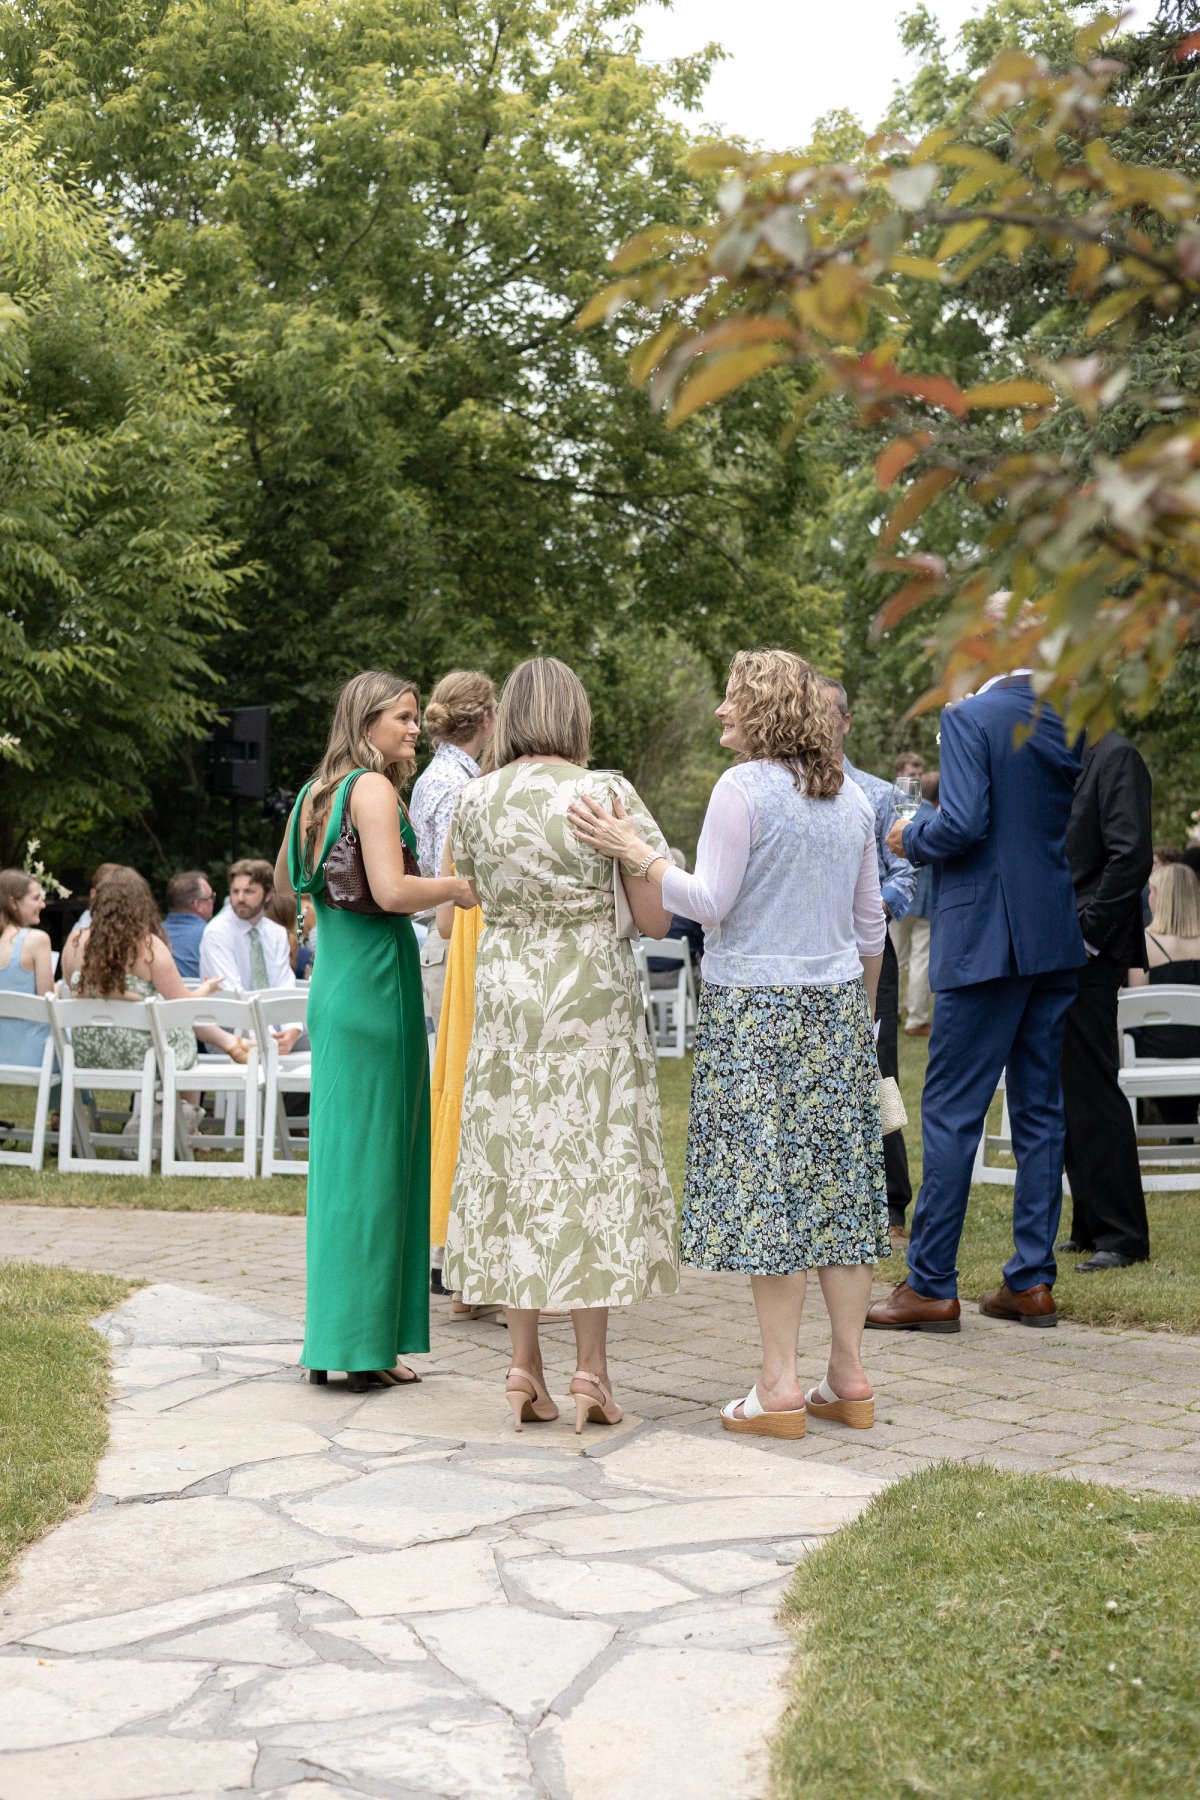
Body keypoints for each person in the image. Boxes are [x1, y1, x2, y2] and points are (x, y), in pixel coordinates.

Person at [571, 649, 887, 1438]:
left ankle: (778, 1386)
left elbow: (708, 901)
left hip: (753, 1014)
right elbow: (872, 925)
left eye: (732, 699)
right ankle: (848, 1378)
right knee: (839, 1194)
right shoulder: (851, 797)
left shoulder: (741, 789)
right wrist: (865, 1020)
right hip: (838, 1012)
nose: (720, 711)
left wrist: (636, 854)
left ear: (765, 711)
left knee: (770, 1195)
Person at [445, 656, 678, 1434]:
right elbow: (656, 920)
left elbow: (463, 904)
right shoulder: (605, 793)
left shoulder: (474, 800)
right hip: (591, 998)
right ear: (576, 714)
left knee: (516, 1168)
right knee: (590, 1169)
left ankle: (522, 1367)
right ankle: (591, 1371)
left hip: (510, 997)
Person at [866, 674, 1085, 1334]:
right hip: (1051, 931)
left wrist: (911, 837)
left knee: (953, 1110)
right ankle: (1032, 1280)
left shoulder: (968, 715)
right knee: (1040, 1110)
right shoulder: (1065, 716)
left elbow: (963, 823)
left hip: (986, 935)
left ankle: (931, 1283)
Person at [275, 670, 474, 1392]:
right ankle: (364, 1347)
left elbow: (292, 884)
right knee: (379, 1168)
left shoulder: (312, 795)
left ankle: (336, 1339)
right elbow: (391, 892)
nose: (414, 728)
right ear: (366, 721)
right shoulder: (373, 789)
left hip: (334, 982)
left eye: (416, 717)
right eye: (402, 717)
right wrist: (456, 885)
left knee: (341, 1169)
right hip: (377, 984)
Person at [820, 677, 917, 1245]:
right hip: (810, 955)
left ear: (847, 722)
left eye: (830, 713)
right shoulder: (790, 789)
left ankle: (892, 1204)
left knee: (876, 1070)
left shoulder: (885, 795)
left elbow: (907, 877)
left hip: (868, 950)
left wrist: (866, 905)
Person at [1059, 730, 1153, 1271]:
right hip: (1056, 945)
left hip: (1092, 947)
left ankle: (1123, 1235)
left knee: (1092, 1085)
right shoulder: (1056, 754)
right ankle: (1090, 1225)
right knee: (1068, 1087)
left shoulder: (1115, 757)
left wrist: (1089, 933)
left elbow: (1130, 856)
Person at [62, 867, 246, 1074]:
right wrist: (206, 988)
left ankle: (227, 1047)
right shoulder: (149, 946)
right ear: (141, 903)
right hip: (146, 1056)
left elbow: (73, 990)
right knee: (182, 1027)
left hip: (89, 1053)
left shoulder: (74, 942)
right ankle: (187, 1105)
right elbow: (183, 1005)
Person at [409, 670, 497, 1036]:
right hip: (453, 938)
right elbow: (456, 870)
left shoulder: (439, 775)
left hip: (448, 940)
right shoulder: (455, 785)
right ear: (486, 718)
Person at [1127, 862, 1200, 1129]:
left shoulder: (1144, 943)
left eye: (1153, 890)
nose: (1149, 896)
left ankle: (1176, 1125)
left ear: (1163, 897)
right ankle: (1184, 1125)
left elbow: (1136, 1006)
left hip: (1157, 1048)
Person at [200, 859, 295, 993]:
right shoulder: (217, 932)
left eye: (249, 891)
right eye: (235, 891)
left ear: (268, 895)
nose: (240, 898)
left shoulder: (277, 933)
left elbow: (285, 987)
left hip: (275, 1011)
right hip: (229, 1012)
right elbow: (231, 992)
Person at [892, 771, 938, 1039]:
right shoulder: (936, 820)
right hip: (926, 899)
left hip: (901, 897)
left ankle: (892, 1010)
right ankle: (916, 1019)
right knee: (921, 958)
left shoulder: (904, 817)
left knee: (897, 956)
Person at [0, 870, 56, 1086]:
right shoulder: (37, 940)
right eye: (36, 899)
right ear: (14, 902)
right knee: (70, 1036)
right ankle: (64, 1114)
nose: (42, 904)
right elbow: (47, 1004)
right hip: (32, 1055)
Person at [162, 871, 216, 980]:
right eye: (211, 897)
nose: (213, 901)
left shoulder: (150, 935)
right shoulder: (211, 935)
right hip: (203, 996)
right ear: (197, 905)